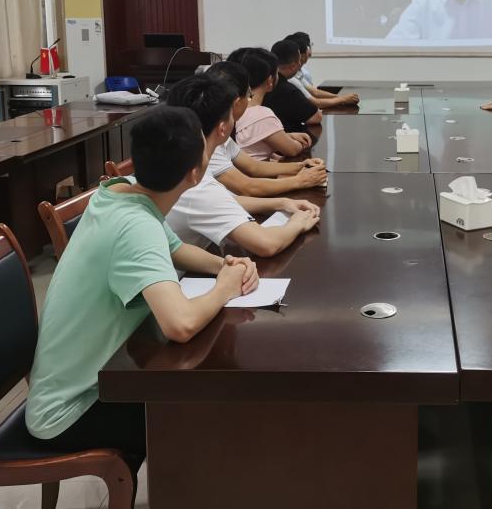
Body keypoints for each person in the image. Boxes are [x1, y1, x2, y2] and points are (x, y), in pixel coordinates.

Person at [25, 106, 260, 469]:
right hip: (73, 409)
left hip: (90, 381)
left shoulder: (119, 191)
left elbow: (176, 249)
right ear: (194, 173)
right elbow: (179, 324)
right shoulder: (137, 225)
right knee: (210, 416)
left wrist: (226, 266)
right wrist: (224, 289)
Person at [165, 75, 320, 257]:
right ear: (222, 128)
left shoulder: (177, 160)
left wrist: (281, 203)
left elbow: (224, 200)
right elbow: (267, 244)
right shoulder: (196, 184)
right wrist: (298, 222)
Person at [207, 61, 328, 197]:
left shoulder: (218, 132)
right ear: (237, 103)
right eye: (249, 94)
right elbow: (247, 187)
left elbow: (254, 167)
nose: (250, 100)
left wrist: (302, 166)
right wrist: (301, 181)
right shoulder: (209, 138)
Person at [236, 50, 310, 160]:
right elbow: (292, 150)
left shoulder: (237, 107)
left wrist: (288, 136)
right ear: (270, 80)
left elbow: (254, 142)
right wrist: (302, 144)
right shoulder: (262, 114)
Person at [282, 33, 360, 109]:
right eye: (308, 47)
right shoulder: (291, 78)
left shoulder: (297, 72)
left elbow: (315, 92)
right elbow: (317, 103)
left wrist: (341, 98)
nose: (310, 52)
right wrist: (343, 99)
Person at [265, 40, 324, 131]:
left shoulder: (261, 82)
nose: (300, 64)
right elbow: (316, 117)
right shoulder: (288, 90)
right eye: (299, 60)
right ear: (293, 66)